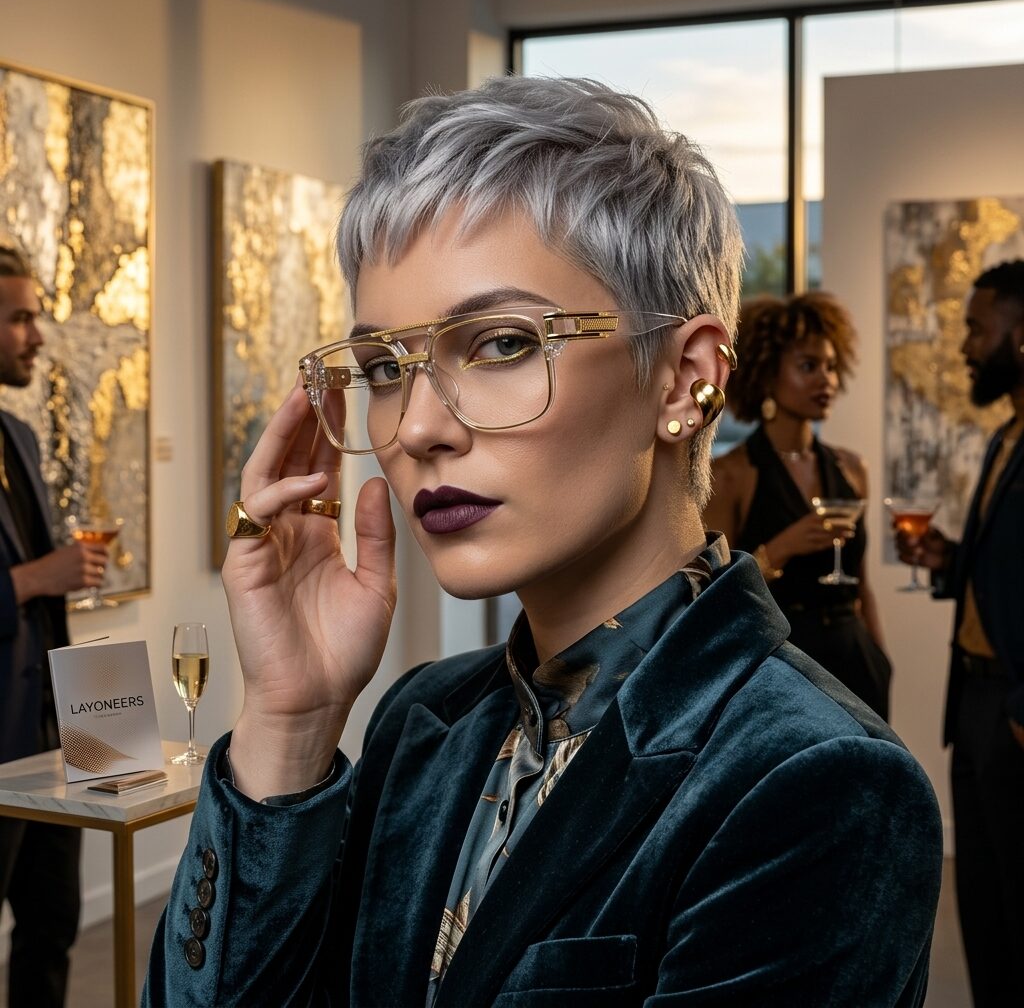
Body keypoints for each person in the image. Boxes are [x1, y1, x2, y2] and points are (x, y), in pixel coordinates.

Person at [145, 78, 941, 1007]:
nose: (416, 428)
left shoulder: (817, 782)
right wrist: (290, 721)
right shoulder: (423, 720)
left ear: (685, 382)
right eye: (385, 367)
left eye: (502, 344)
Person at [896, 260, 1024, 1007]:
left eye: (978, 329)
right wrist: (948, 560)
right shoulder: (1006, 436)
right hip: (972, 703)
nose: (967, 347)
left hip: (1012, 706)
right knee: (983, 909)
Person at [0, 245, 109, 1007]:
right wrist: (40, 576)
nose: (37, 335)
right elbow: (32, 577)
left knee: (52, 927)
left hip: (54, 732)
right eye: (20, 318)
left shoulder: (20, 435)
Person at [705, 292, 892, 719]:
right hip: (780, 664)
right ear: (767, 375)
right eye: (809, 366)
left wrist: (881, 661)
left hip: (857, 663)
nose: (826, 380)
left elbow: (861, 586)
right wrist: (781, 549)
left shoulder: (852, 469)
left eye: (831, 366)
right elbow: (714, 596)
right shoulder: (732, 474)